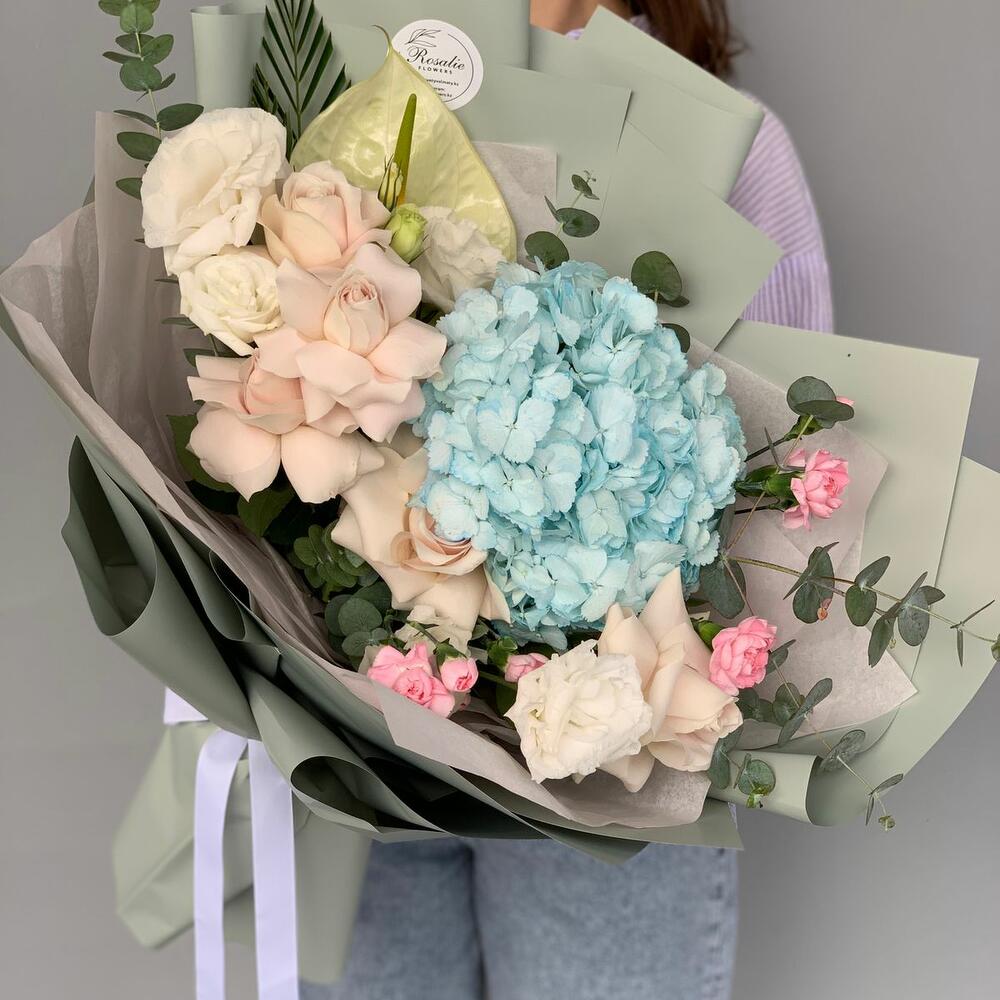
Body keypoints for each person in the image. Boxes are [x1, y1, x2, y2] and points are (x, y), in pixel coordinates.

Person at [304, 4, 833, 999]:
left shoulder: (725, 140)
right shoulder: (364, 74)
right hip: (360, 734)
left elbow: (783, 462)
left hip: (604, 763)